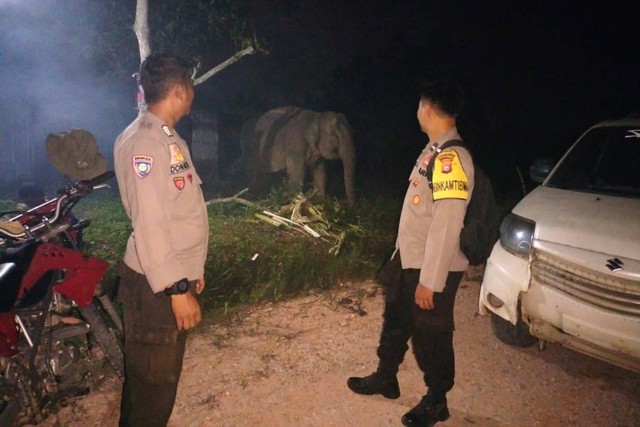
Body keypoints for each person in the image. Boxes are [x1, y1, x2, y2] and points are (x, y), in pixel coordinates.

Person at [347, 80, 474, 426]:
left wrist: (430, 282)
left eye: (419, 105)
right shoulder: (432, 150)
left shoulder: (451, 159)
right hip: (410, 258)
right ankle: (386, 376)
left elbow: (446, 226)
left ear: (428, 109)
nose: (417, 111)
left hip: (433, 268)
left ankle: (437, 400)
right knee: (397, 320)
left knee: (431, 334)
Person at [113, 53, 209, 427]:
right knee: (153, 388)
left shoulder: (165, 137)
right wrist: (176, 289)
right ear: (181, 90)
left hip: (167, 278)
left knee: (151, 384)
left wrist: (191, 270)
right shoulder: (145, 143)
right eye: (191, 87)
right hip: (156, 288)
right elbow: (150, 223)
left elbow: (179, 213)